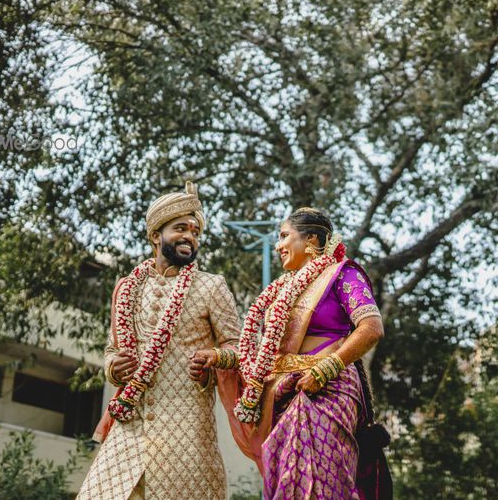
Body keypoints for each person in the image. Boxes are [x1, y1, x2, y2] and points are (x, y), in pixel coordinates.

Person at [77, 181, 242, 500]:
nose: (190, 237)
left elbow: (238, 347)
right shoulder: (127, 289)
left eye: (195, 232)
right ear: (156, 236)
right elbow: (112, 350)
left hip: (186, 434)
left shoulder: (211, 287)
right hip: (129, 428)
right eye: (181, 228)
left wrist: (215, 357)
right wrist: (114, 367)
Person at [217, 207, 390, 499]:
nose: (278, 245)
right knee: (287, 485)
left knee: (322, 482)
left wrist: (325, 369)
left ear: (310, 239)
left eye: (284, 236)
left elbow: (371, 327)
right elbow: (262, 356)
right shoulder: (281, 291)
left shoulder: (342, 273)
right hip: (282, 394)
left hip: (328, 390)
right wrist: (219, 357)